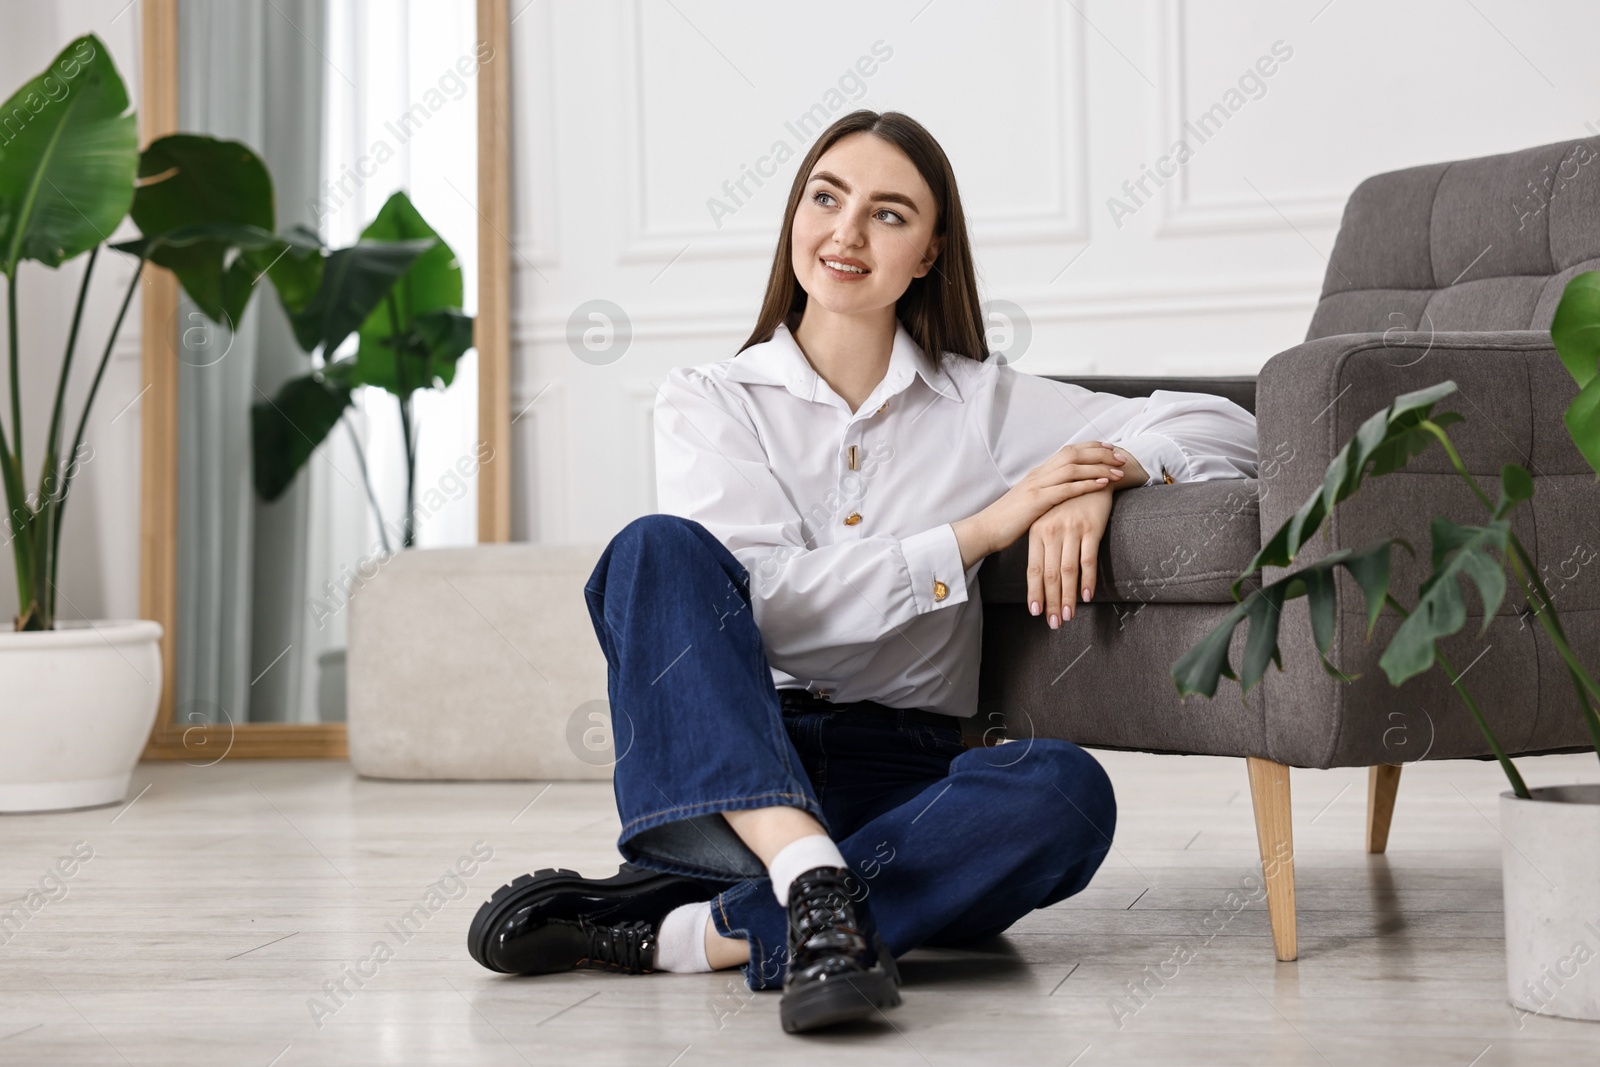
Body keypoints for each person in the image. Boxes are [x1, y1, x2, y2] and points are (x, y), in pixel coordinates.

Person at [468, 109, 1258, 1034]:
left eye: (889, 214)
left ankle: (687, 931)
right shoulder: (710, 401)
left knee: (1065, 793)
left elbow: (1228, 427)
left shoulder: (983, 404)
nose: (846, 232)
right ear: (795, 216)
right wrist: (984, 528)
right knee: (656, 547)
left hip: (906, 783)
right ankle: (801, 871)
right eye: (826, 198)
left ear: (928, 252)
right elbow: (769, 610)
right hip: (740, 766)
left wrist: (1106, 472)